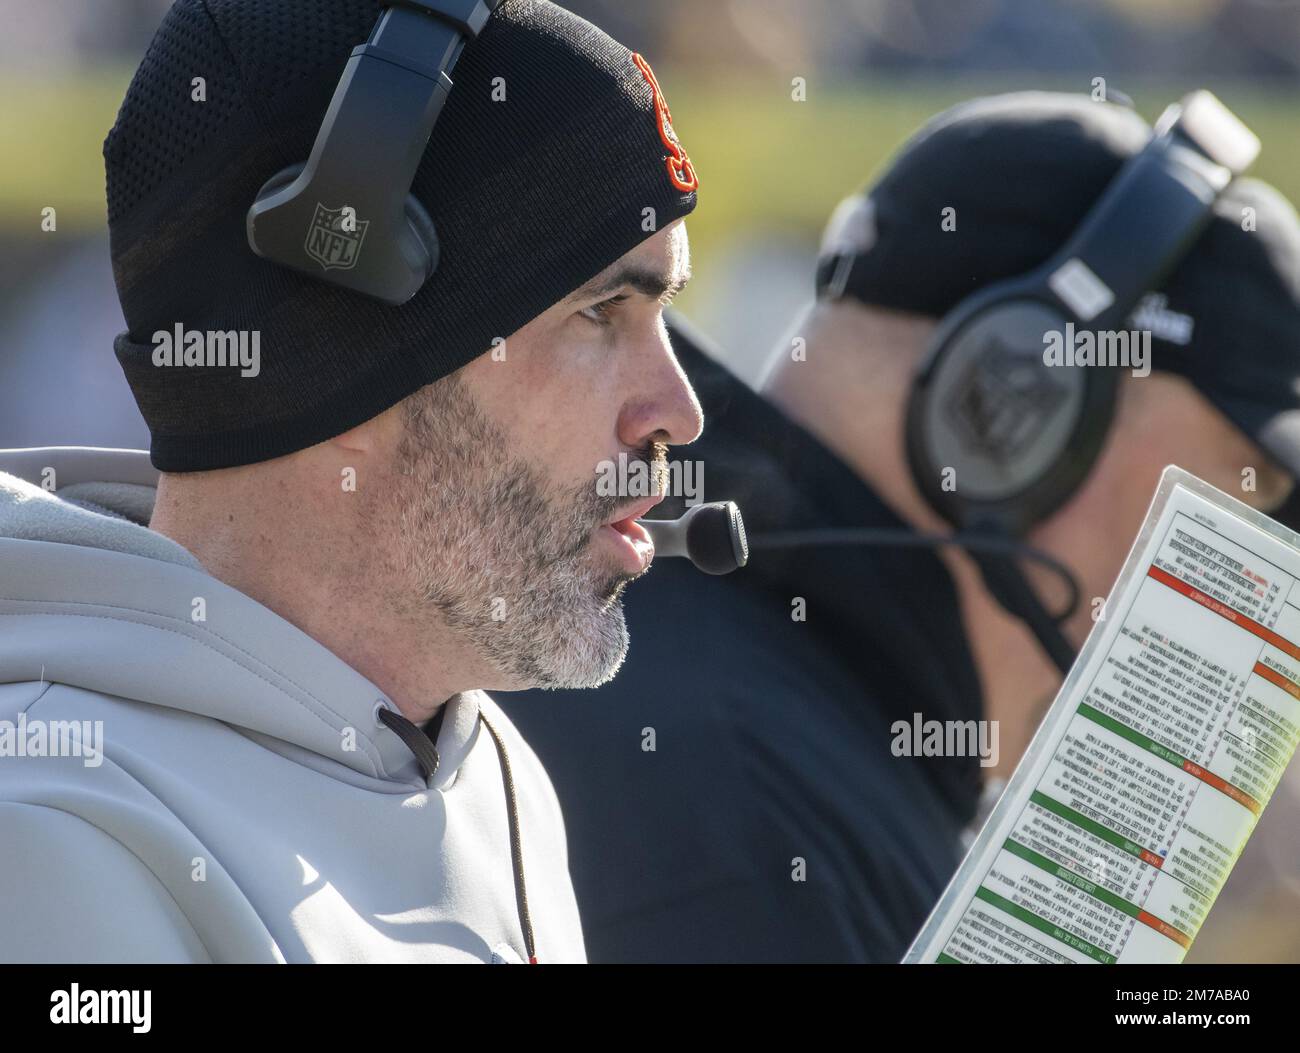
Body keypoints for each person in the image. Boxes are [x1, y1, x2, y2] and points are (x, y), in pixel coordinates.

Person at [497, 91, 1300, 963]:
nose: (1252, 569)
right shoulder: (753, 818)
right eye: (1245, 492)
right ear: (1010, 406)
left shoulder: (774, 729)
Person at [0, 0, 703, 963]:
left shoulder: (487, 767)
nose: (677, 409)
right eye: (602, 311)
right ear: (345, 359)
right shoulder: (53, 843)